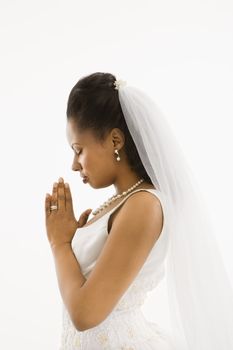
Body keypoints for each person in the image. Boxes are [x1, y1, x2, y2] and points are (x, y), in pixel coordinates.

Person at [45, 72, 233, 350]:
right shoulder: (120, 203)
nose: (74, 164)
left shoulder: (144, 206)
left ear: (115, 141)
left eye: (78, 149)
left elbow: (85, 315)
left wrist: (60, 243)